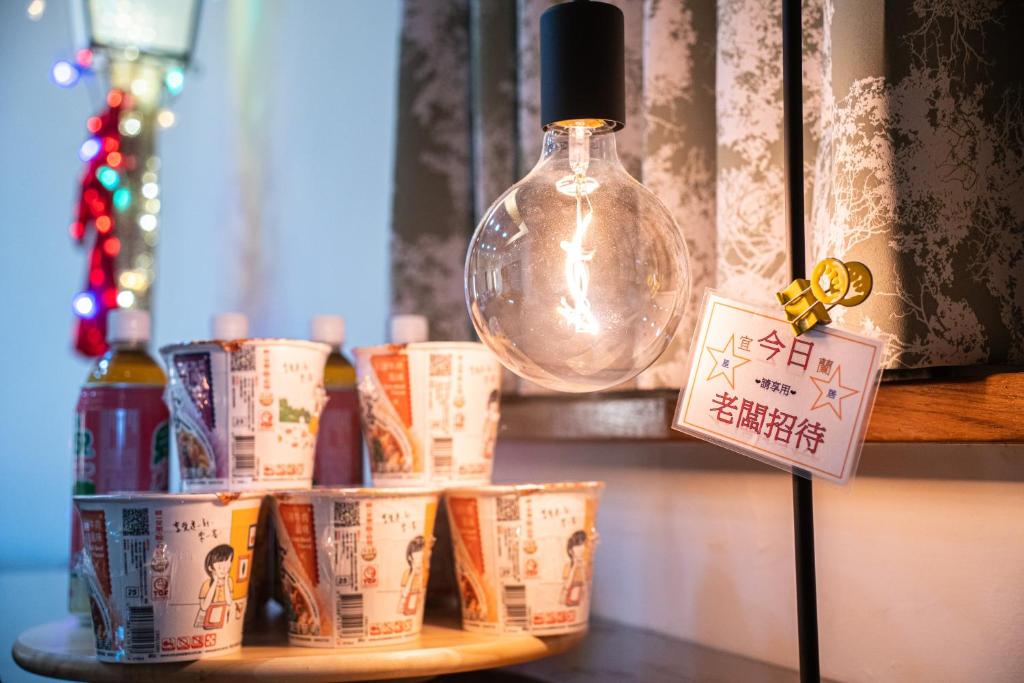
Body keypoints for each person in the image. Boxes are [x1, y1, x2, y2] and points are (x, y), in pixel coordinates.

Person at [196, 544, 236, 629]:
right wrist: (214, 582)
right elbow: (204, 607)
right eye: (220, 567)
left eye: (227, 566)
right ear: (210, 568)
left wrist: (225, 582)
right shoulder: (206, 584)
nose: (224, 570)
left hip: (223, 618)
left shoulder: (229, 581)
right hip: (207, 619)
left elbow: (229, 602)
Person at [398, 535, 426, 615]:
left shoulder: (423, 574)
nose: (419, 563)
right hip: (407, 607)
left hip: (416, 608)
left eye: (421, 559)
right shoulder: (407, 574)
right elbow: (403, 593)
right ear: (410, 558)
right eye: (416, 559)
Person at [560, 530, 587, 607]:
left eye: (583, 544)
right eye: (579, 545)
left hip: (580, 601)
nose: (582, 548)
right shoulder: (568, 566)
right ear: (571, 551)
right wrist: (574, 566)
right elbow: (566, 584)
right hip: (568, 600)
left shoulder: (585, 566)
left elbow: (586, 587)